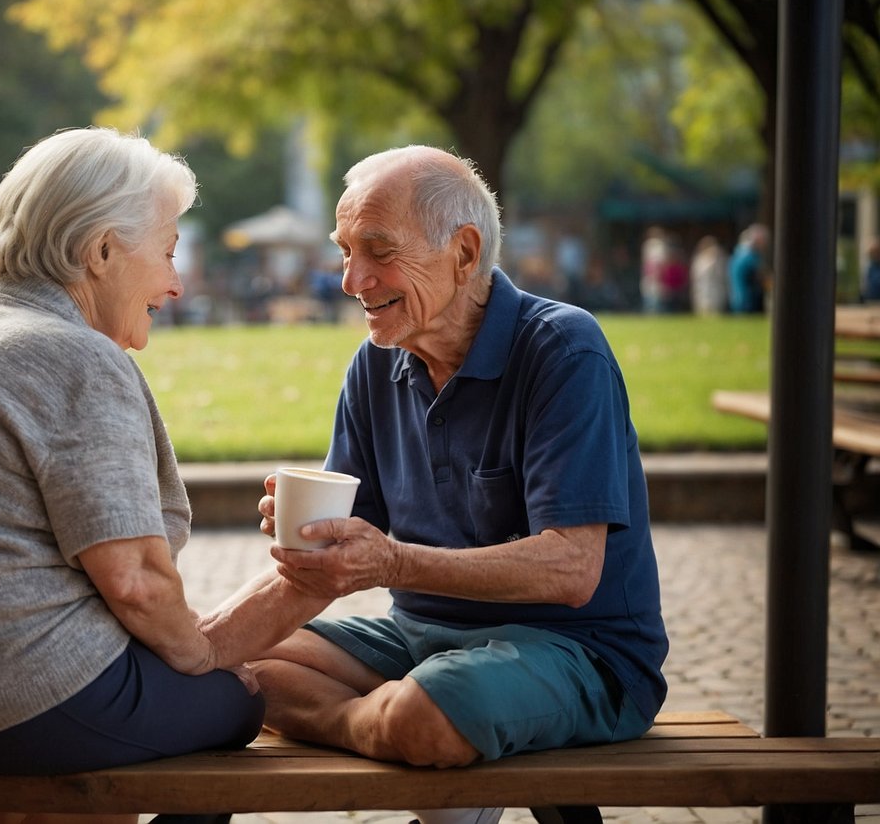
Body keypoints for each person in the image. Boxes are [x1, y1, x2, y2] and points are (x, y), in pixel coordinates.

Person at [0, 128, 320, 824]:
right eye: (167, 252)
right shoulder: (73, 356)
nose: (174, 282)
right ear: (102, 250)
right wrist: (198, 657)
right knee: (234, 705)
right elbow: (136, 582)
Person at [248, 146, 669, 824]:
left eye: (378, 251)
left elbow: (572, 567)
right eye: (345, 249)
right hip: (420, 640)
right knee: (233, 671)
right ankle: (386, 730)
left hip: (582, 653)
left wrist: (391, 560)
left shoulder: (562, 349)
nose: (351, 278)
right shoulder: (375, 363)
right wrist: (209, 632)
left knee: (425, 709)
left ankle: (408, 729)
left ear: (465, 253)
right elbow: (343, 550)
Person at [728, 223, 769, 314]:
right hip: (748, 301)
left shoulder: (737, 254)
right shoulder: (750, 257)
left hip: (737, 298)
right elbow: (761, 277)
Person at [690, 235, 728, 316]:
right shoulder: (699, 260)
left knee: (716, 315)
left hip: (716, 292)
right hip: (702, 292)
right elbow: (695, 277)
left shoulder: (719, 259)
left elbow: (722, 275)